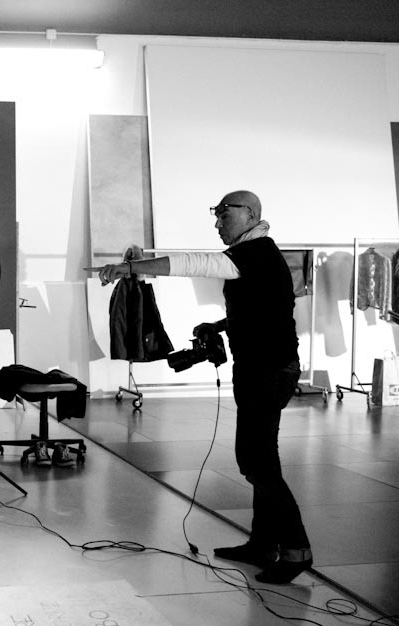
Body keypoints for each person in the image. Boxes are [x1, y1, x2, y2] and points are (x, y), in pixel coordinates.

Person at [92, 190, 312, 584]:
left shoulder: (257, 251)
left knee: (256, 460)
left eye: (225, 214)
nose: (217, 222)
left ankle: (297, 550)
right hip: (260, 368)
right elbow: (265, 309)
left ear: (251, 214)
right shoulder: (252, 255)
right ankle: (263, 543)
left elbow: (196, 263)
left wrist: (129, 268)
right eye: (217, 214)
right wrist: (221, 326)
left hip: (269, 370)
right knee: (261, 457)